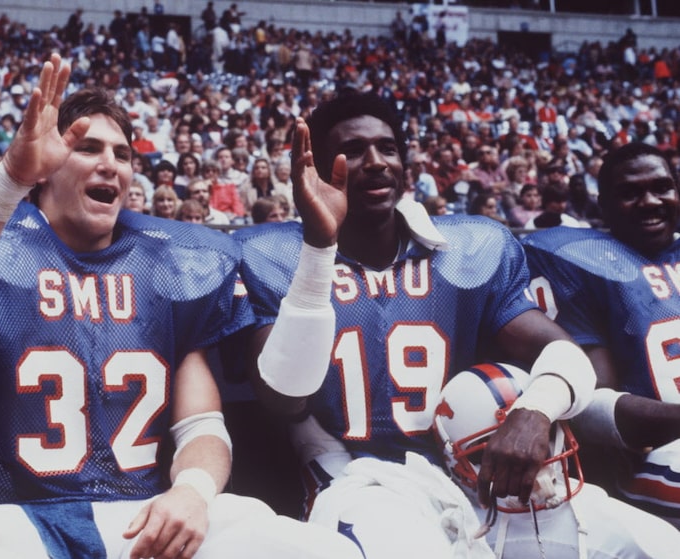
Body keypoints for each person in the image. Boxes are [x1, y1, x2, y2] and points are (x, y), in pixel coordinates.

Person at [0, 53, 361, 559]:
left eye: (123, 154)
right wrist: (8, 181)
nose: (110, 162)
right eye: (86, 148)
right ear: (46, 166)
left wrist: (193, 492)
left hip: (144, 515)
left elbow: (201, 425)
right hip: (16, 518)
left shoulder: (175, 263)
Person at [235, 91, 680, 558]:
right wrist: (320, 247)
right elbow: (284, 399)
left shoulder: (470, 247)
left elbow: (564, 354)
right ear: (320, 169)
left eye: (388, 148)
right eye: (352, 151)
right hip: (362, 478)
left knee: (654, 546)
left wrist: (535, 411)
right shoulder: (274, 254)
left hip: (479, 469)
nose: (375, 162)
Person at [521, 142, 680, 528]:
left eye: (662, 188)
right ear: (603, 205)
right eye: (630, 192)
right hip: (654, 454)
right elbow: (591, 402)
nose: (650, 201)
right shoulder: (579, 259)